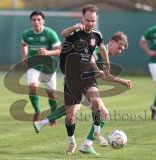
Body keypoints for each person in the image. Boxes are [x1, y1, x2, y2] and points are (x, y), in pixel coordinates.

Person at [34, 31, 131, 155]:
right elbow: (91, 58)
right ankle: (87, 143)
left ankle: (45, 122)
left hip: (80, 81)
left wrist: (121, 81)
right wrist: (96, 69)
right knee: (101, 113)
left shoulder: (103, 54)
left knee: (72, 112)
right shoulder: (98, 49)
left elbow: (104, 76)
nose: (120, 51)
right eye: (120, 47)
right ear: (112, 43)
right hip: (79, 81)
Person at [60, 4, 110, 154]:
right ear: (82, 18)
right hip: (71, 78)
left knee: (96, 102)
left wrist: (106, 65)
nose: (90, 23)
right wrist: (74, 27)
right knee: (70, 117)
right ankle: (72, 142)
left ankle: (96, 133)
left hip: (87, 76)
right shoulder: (75, 32)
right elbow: (63, 33)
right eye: (88, 20)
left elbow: (102, 48)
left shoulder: (97, 35)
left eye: (93, 20)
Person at [21, 11, 61, 127]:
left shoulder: (50, 33)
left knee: (51, 94)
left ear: (43, 21)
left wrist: (48, 52)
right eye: (34, 20)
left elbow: (60, 50)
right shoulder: (27, 34)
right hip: (33, 66)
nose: (36, 22)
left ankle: (53, 117)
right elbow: (23, 45)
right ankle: (37, 111)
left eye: (39, 19)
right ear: (31, 21)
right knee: (33, 87)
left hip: (48, 67)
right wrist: (24, 56)